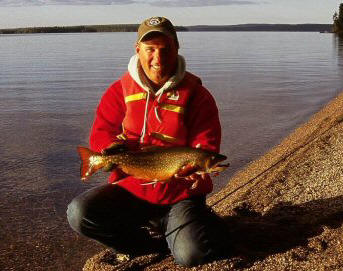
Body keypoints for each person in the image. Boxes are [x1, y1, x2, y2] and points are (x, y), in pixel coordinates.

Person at [67, 16, 229, 267]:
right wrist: (106, 150)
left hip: (180, 194)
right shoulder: (119, 90)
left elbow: (206, 144)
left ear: (177, 48)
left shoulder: (197, 95)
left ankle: (193, 225)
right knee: (79, 214)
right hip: (133, 188)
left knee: (192, 256)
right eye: (150, 49)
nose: (158, 57)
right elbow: (102, 132)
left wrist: (198, 170)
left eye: (165, 50)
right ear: (137, 50)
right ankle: (147, 244)